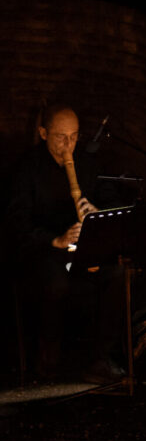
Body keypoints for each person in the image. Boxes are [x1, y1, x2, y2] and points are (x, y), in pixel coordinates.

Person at [4, 102, 125, 381]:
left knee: (118, 274)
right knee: (56, 282)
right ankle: (48, 362)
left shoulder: (87, 163)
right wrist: (55, 240)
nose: (69, 145)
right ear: (43, 133)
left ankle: (100, 358)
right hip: (42, 251)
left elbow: (112, 201)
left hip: (82, 250)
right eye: (61, 137)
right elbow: (16, 225)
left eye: (74, 136)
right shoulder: (25, 169)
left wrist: (97, 213)